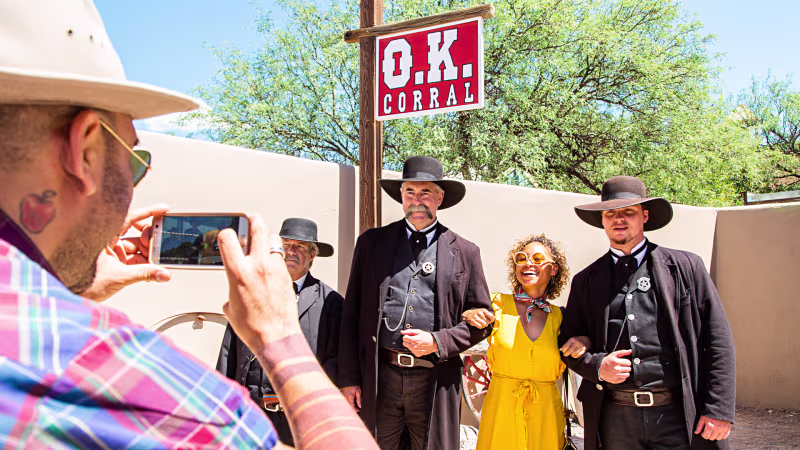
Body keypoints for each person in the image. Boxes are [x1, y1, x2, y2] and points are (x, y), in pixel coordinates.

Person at [0, 1, 377, 448]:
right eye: (135, 158)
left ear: (313, 255)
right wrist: (281, 340)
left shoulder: (328, 300)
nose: (139, 178)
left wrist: (64, 286)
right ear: (84, 151)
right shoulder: (160, 402)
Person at [559, 176, 735, 449]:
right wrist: (598, 367)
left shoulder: (686, 267)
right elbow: (568, 344)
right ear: (602, 221)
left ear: (645, 216)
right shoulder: (587, 280)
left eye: (628, 212)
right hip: (615, 419)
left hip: (677, 414)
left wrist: (718, 409)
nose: (619, 219)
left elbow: (718, 340)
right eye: (610, 214)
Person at [338, 156, 493, 449]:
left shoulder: (465, 251)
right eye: (410, 192)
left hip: (434, 380)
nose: (417, 200)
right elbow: (352, 314)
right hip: (380, 378)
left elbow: (484, 323)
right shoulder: (371, 243)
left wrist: (438, 341)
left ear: (440, 197)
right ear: (401, 195)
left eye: (425, 193)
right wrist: (348, 379)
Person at [217, 218, 344, 446]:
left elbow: (336, 360)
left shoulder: (331, 303)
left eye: (300, 247)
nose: (291, 252)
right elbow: (229, 351)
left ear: (312, 255)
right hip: (250, 415)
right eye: (286, 245)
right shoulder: (251, 291)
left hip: (298, 418)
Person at [461, 234, 589, 449]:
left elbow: (588, 337)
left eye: (538, 259)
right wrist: (467, 314)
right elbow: (458, 316)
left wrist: (585, 340)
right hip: (501, 410)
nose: (528, 263)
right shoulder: (496, 304)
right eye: (521, 258)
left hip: (546, 414)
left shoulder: (561, 317)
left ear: (554, 268)